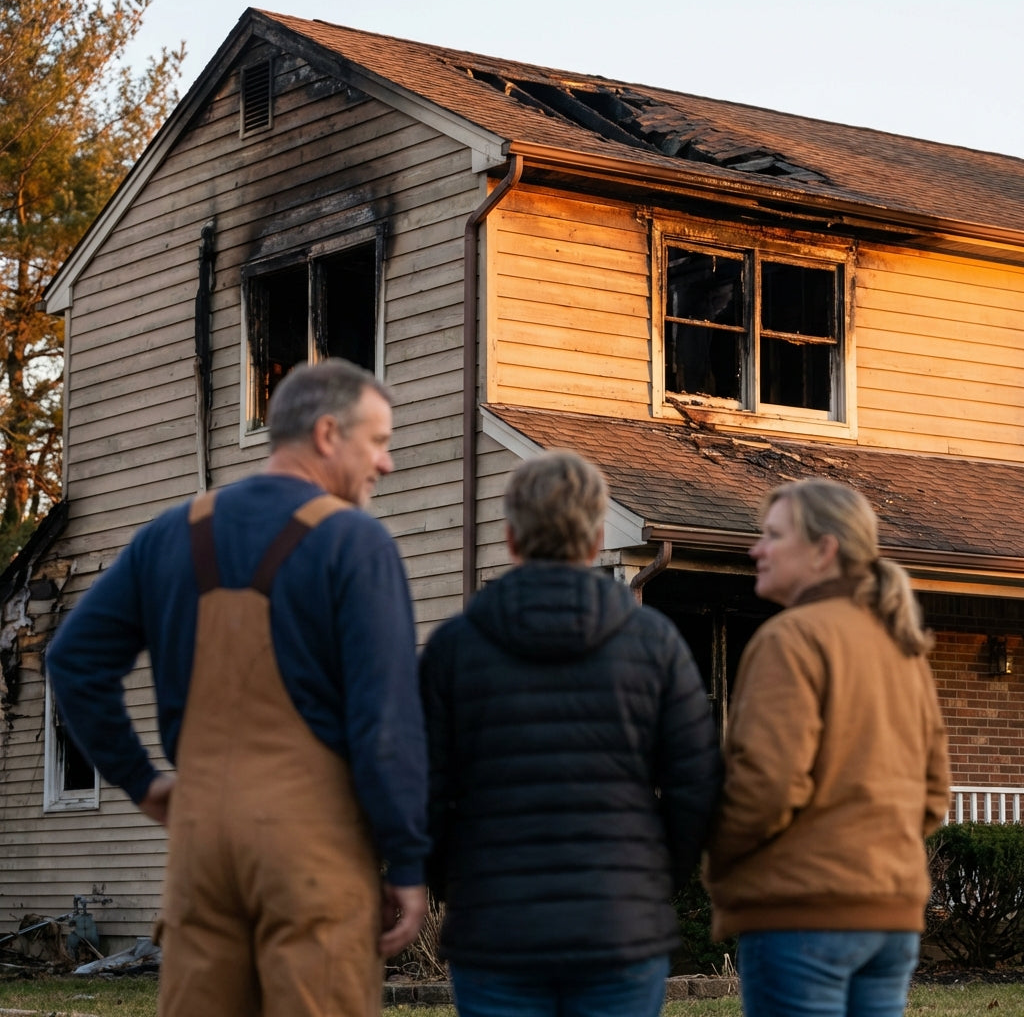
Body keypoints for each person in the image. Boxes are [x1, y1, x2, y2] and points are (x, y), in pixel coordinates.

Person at [47, 359, 429, 1017]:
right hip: (313, 846)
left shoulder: (169, 535)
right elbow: (385, 726)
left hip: (199, 843)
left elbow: (72, 659)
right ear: (329, 433)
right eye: (380, 442)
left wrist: (142, 781)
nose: (386, 464)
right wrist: (406, 860)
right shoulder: (354, 543)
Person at [419, 449, 722, 1017]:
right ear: (596, 538)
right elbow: (697, 786)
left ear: (511, 537)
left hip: (494, 924)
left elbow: (423, 791)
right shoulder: (655, 644)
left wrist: (450, 880)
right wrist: (655, 879)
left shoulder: (454, 649)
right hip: (621, 927)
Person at [704, 478, 950, 1017]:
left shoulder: (790, 639)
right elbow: (933, 797)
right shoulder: (902, 647)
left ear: (824, 550)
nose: (755, 550)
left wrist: (716, 856)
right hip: (890, 914)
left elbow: (766, 786)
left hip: (802, 912)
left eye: (772, 535)